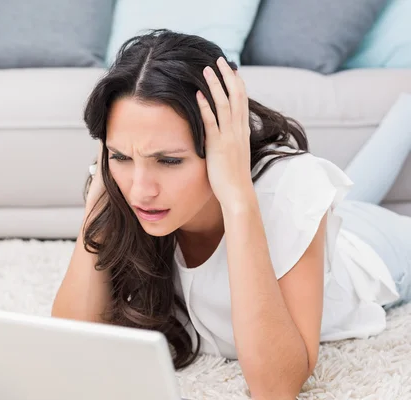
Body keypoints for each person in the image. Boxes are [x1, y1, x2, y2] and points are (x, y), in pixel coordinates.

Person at [51, 29, 411, 399]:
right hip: (310, 221)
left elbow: (276, 388)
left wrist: (238, 200)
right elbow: (71, 350)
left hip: (373, 252)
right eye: (121, 156)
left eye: (170, 160)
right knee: (351, 192)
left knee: (341, 205)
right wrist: (98, 204)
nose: (140, 190)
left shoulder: (292, 190)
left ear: (223, 144)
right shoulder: (122, 184)